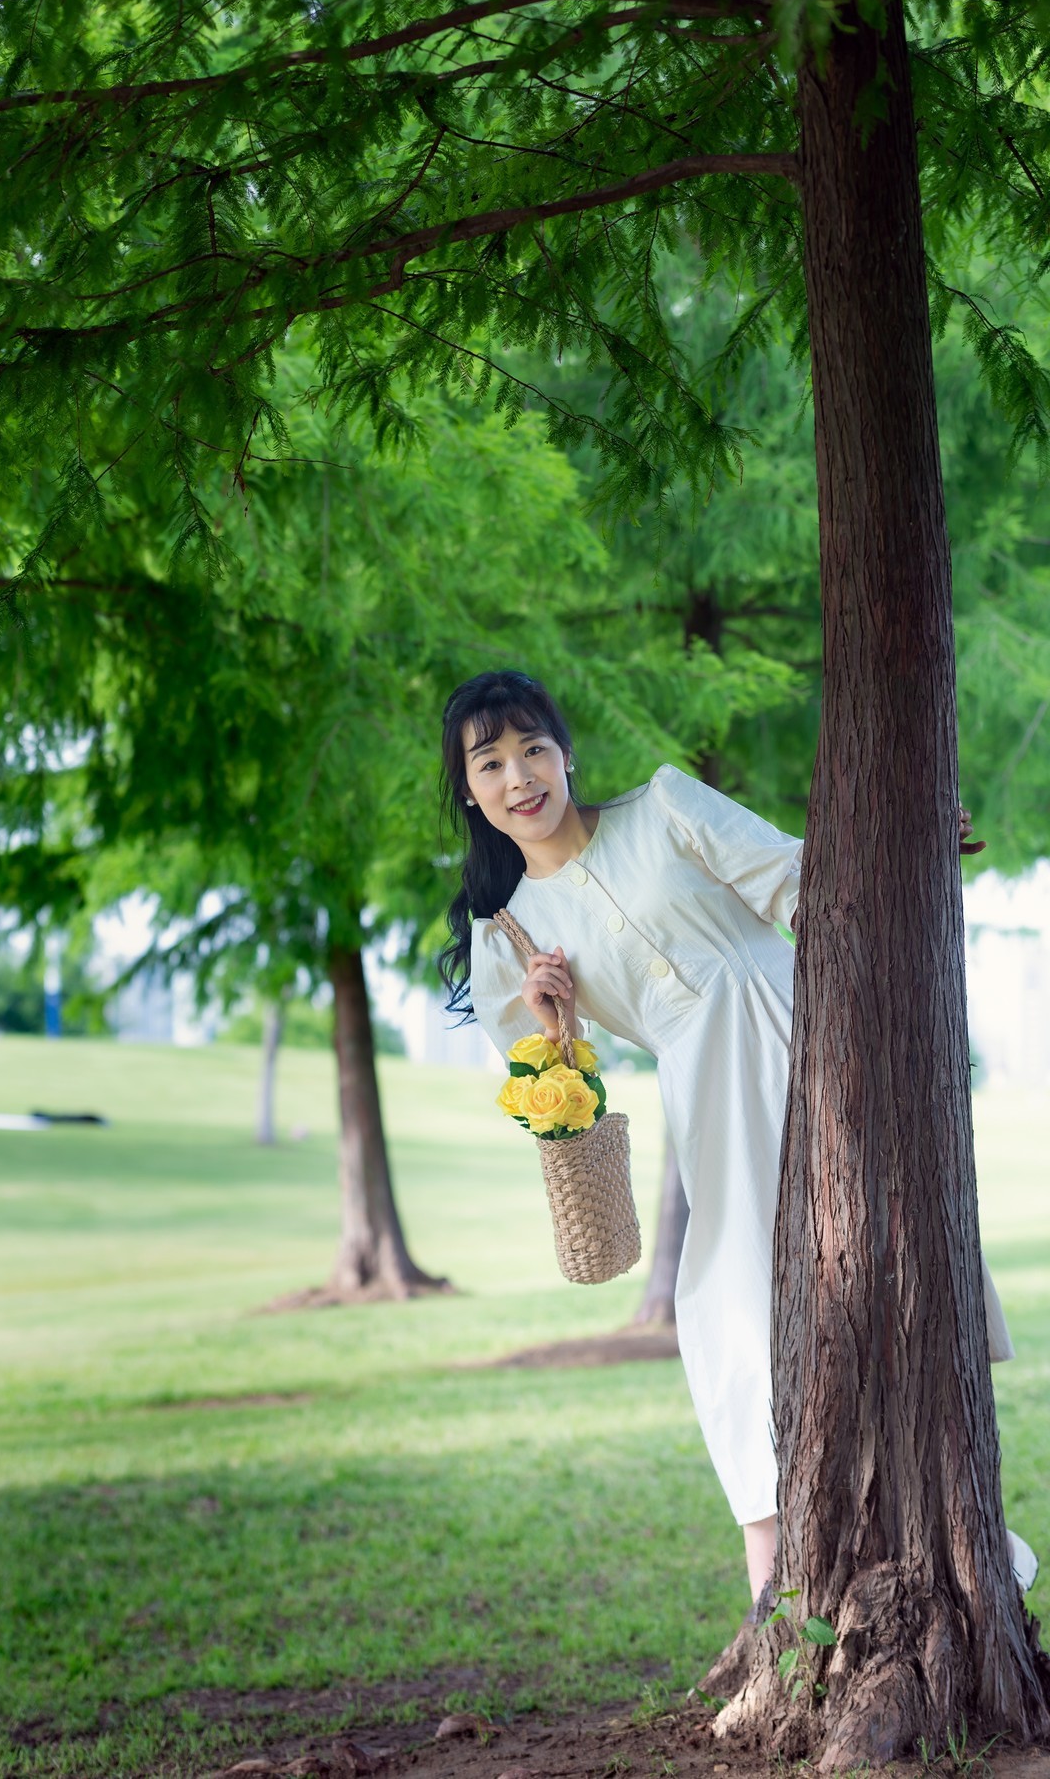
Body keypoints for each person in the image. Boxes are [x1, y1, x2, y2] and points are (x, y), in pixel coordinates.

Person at [438, 668, 1028, 1601]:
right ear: (469, 792)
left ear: (566, 754)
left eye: (533, 749)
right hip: (707, 1087)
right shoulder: (507, 931)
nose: (520, 776)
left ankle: (954, 1537)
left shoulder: (664, 804)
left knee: (877, 1251)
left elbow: (801, 881)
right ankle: (777, 1584)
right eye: (492, 762)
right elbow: (555, 1097)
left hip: (811, 1028)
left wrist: (904, 853)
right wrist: (556, 1020)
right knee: (728, 1311)